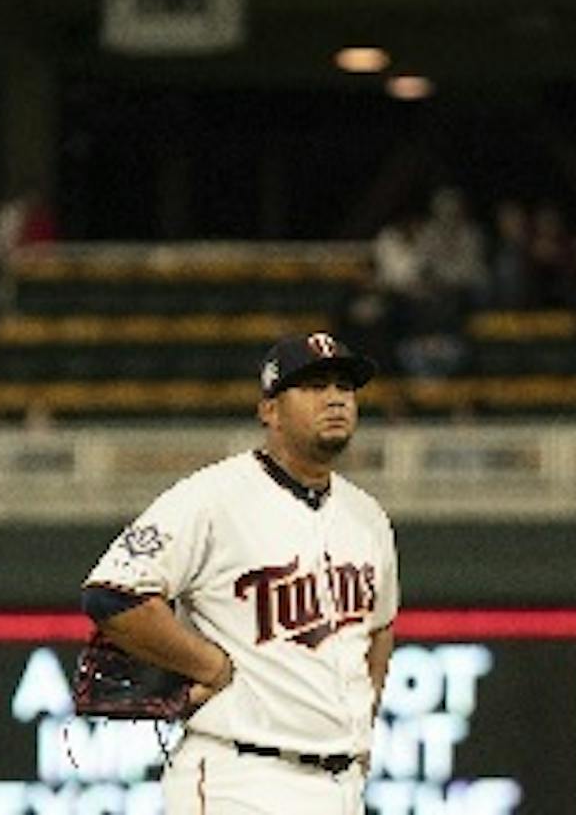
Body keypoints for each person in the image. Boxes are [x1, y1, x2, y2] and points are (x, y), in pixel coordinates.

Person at [82, 332, 400, 814]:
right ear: (269, 410)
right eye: (313, 385)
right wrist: (208, 665)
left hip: (341, 786)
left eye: (344, 385)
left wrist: (361, 723)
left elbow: (377, 630)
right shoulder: (213, 498)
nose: (336, 398)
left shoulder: (368, 517)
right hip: (240, 777)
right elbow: (113, 595)